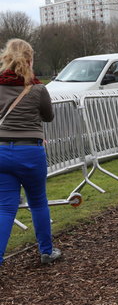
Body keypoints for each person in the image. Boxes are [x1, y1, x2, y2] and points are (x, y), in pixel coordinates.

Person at [0, 38, 61, 265]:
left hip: (2, 151)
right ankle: (46, 251)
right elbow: (48, 116)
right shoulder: (37, 88)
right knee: (38, 202)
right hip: (30, 151)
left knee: (5, 207)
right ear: (30, 59)